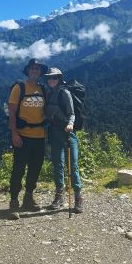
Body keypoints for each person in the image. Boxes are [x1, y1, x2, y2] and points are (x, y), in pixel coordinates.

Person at [8, 58, 48, 214]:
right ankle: (13, 201)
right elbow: (11, 112)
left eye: (37, 69)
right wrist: (14, 133)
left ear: (40, 72)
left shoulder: (43, 89)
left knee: (35, 169)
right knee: (18, 169)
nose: (34, 71)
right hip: (22, 136)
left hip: (39, 136)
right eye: (32, 68)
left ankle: (29, 198)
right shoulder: (19, 88)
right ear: (28, 70)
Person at [44, 67, 83, 213]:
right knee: (57, 165)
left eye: (54, 77)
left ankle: (78, 198)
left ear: (59, 78)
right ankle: (59, 196)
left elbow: (71, 113)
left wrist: (70, 124)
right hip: (54, 133)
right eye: (49, 78)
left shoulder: (64, 92)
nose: (51, 80)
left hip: (67, 134)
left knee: (72, 165)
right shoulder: (49, 94)